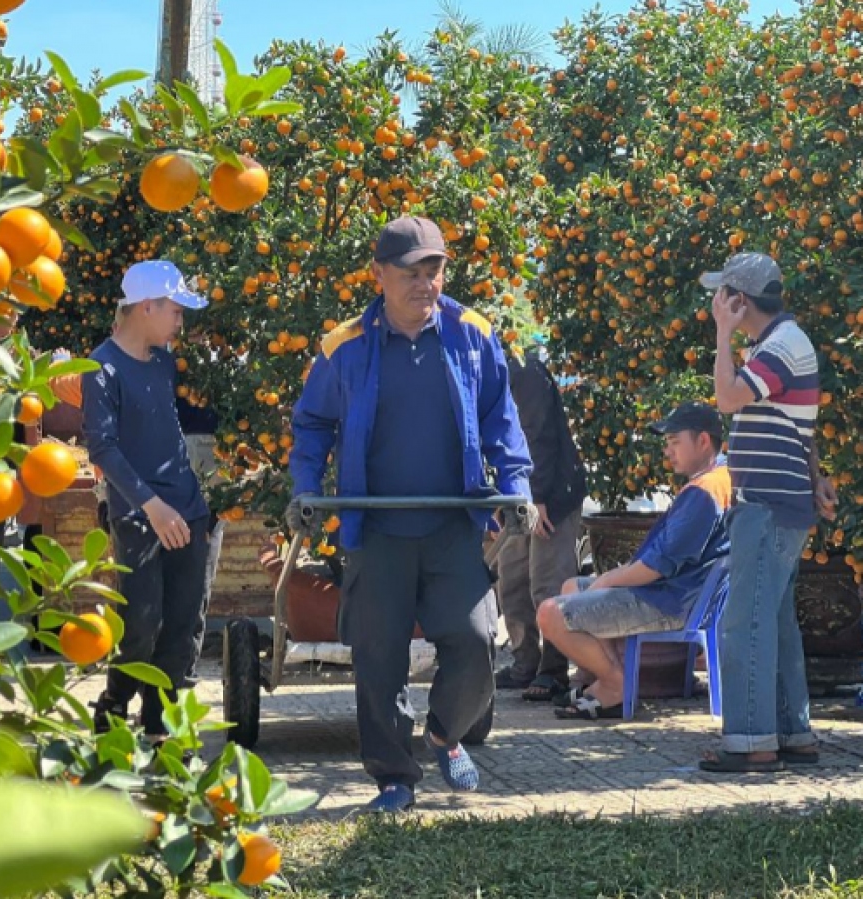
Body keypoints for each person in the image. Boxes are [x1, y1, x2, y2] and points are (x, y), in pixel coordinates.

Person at [287, 216, 534, 813]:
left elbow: (503, 419)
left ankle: (446, 734)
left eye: (435, 270)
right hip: (376, 530)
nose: (426, 284)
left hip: (455, 526)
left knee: (476, 645)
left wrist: (517, 484)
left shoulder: (472, 333)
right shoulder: (342, 346)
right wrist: (304, 489)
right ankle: (395, 780)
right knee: (378, 662)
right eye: (412, 272)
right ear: (379, 275)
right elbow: (312, 425)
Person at [698, 252, 836, 772]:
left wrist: (722, 335)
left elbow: (728, 399)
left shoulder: (778, 345)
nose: (715, 302)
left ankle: (752, 743)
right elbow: (797, 425)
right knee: (773, 622)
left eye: (722, 295)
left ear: (739, 299)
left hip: (767, 508)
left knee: (746, 624)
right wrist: (814, 477)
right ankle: (792, 734)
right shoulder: (779, 344)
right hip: (780, 503)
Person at [81, 260, 211, 741]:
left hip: (188, 509)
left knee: (182, 621)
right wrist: (151, 506)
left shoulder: (163, 361)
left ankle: (160, 724)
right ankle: (115, 699)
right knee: (140, 622)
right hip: (139, 515)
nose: (180, 321)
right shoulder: (102, 368)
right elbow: (103, 448)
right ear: (148, 307)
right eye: (175, 311)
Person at [538, 402, 731, 720]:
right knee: (572, 586)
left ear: (703, 441)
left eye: (674, 442)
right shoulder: (721, 479)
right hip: (681, 595)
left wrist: (605, 582)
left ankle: (616, 686)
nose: (668, 452)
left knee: (550, 614)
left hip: (668, 600)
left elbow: (655, 569)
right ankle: (598, 681)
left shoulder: (705, 491)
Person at [494, 346, 588, 702]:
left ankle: (554, 670)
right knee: (512, 581)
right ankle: (525, 663)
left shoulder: (522, 369)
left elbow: (538, 436)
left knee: (547, 583)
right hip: (512, 497)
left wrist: (537, 498)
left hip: (548, 493)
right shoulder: (478, 371)